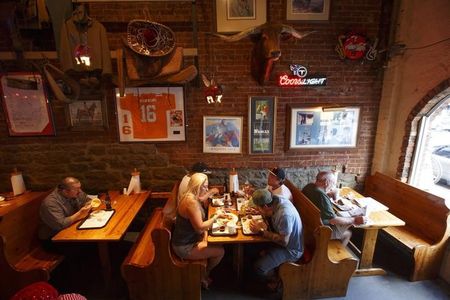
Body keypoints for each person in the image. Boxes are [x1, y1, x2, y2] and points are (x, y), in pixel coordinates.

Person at [171, 173, 225, 289]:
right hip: (184, 247)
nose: (206, 189)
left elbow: (202, 198)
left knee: (218, 241)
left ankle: (203, 272)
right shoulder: (191, 203)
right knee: (220, 251)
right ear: (196, 186)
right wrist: (216, 216)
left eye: (207, 186)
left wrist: (211, 192)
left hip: (189, 240)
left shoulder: (190, 196)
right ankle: (204, 274)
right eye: (204, 186)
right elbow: (200, 228)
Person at [249, 189, 303, 291]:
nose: (257, 208)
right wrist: (261, 213)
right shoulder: (275, 200)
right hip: (280, 241)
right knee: (250, 249)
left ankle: (276, 280)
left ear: (265, 206)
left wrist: (260, 231)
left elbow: (284, 241)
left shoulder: (284, 214)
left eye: (258, 207)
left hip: (291, 249)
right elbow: (270, 214)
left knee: (259, 268)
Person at [302, 171, 366, 246]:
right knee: (348, 233)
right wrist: (354, 220)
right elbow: (333, 220)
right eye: (333, 183)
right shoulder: (321, 195)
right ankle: (334, 255)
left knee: (344, 219)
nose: (333, 187)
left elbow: (318, 198)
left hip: (307, 222)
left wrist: (328, 194)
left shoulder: (309, 186)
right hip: (319, 231)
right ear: (327, 182)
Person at [38, 177, 92, 247]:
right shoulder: (50, 203)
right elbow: (61, 225)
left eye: (79, 188)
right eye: (76, 189)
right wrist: (80, 213)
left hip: (71, 230)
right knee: (90, 246)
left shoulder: (77, 193)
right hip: (53, 239)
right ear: (65, 191)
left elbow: (86, 199)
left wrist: (89, 203)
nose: (80, 191)